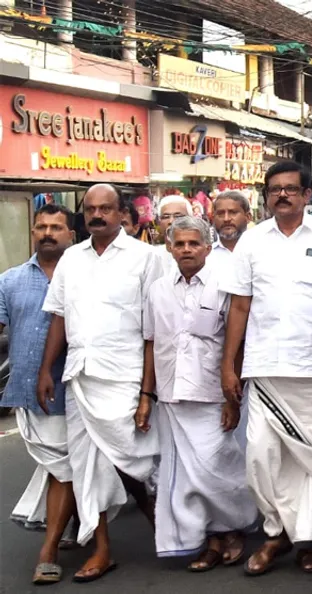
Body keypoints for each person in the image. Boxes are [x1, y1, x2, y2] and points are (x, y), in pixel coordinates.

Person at [221, 161, 312, 576]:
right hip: (265, 369)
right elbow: (239, 305)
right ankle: (275, 531)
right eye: (275, 189)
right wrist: (229, 365)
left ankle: (304, 543)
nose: (282, 195)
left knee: (306, 463)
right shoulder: (252, 241)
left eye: (290, 189)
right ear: (266, 196)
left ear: (306, 193)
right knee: (260, 456)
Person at [37, 184, 165, 582]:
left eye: (105, 208)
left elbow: (153, 331)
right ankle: (102, 547)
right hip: (80, 376)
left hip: (126, 376)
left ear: (121, 211)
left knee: (141, 461)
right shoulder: (71, 259)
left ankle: (170, 522)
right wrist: (46, 369)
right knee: (87, 465)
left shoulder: (147, 258)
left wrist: (147, 393)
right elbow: (58, 316)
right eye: (90, 209)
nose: (97, 215)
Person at [139, 215, 256, 571]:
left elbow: (238, 342)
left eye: (194, 243)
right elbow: (150, 342)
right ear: (169, 248)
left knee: (219, 468)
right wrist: (147, 395)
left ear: (207, 247)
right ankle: (211, 539)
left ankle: (235, 526)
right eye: (180, 244)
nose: (187, 249)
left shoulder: (224, 285)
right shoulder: (157, 289)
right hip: (172, 396)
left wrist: (233, 395)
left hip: (214, 393)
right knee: (188, 475)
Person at [3, 204, 77, 585]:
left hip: (77, 390)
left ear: (71, 235)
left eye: (56, 227)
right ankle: (76, 522)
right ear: (33, 232)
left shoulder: (83, 276)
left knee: (62, 467)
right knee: (59, 466)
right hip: (25, 391)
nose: (48, 233)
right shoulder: (10, 279)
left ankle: (48, 549)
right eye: (41, 227)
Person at [210, 190, 251, 262]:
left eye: (233, 213)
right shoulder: (205, 256)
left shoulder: (262, 251)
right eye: (220, 213)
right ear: (213, 218)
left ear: (248, 217)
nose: (226, 219)